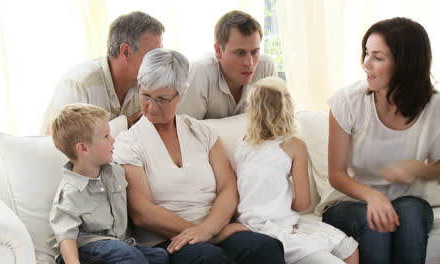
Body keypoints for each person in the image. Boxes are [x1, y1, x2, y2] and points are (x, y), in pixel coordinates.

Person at [113, 48, 285, 264]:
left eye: (162, 99)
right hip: (167, 241)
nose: (151, 107)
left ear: (181, 94)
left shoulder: (202, 132)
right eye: (146, 95)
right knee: (209, 259)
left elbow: (228, 186)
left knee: (265, 247)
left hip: (212, 228)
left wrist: (209, 230)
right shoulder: (128, 143)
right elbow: (141, 211)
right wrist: (209, 233)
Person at [322, 17, 440, 264]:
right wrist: (372, 196)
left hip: (408, 201)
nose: (366, 64)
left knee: (408, 215)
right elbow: (336, 173)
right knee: (373, 221)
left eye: (378, 57)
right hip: (349, 203)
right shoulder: (347, 101)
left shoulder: (434, 107)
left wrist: (419, 168)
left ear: (405, 64)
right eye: (366, 54)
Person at [234, 76, 359, 264]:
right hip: (276, 228)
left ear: (253, 110)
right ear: (287, 109)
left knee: (344, 244)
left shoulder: (242, 144)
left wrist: (273, 198)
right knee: (348, 249)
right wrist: (280, 200)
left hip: (251, 225)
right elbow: (302, 203)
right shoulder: (294, 146)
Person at [48, 104, 168, 264]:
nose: (113, 140)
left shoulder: (115, 173)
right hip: (83, 249)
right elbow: (66, 237)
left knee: (159, 257)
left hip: (117, 245)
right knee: (127, 255)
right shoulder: (70, 193)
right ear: (83, 148)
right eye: (106, 136)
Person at [42, 11, 164, 133]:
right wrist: (122, 125)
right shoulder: (80, 83)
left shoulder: (148, 85)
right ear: (126, 51)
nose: (160, 63)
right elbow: (56, 143)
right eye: (153, 55)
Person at [177, 10, 276, 120]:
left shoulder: (266, 67)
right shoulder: (200, 72)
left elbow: (276, 123)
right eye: (240, 53)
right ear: (218, 51)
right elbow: (186, 131)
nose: (249, 63)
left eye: (254, 52)